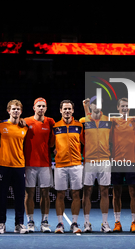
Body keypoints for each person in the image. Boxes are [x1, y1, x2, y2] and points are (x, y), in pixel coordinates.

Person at [51, 100, 84, 234]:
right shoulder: (55, 127)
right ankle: (60, 224)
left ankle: (74, 223)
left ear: (73, 111)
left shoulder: (79, 125)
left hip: (76, 164)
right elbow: (50, 144)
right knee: (60, 194)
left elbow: (85, 142)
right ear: (60, 110)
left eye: (69, 109)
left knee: (76, 194)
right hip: (60, 165)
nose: (67, 111)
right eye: (64, 109)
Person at [0, 100, 29, 234]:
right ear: (8, 111)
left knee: (20, 197)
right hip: (3, 165)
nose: (16, 111)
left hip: (19, 166)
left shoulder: (25, 127)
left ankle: (19, 224)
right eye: (13, 109)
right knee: (2, 197)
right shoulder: (0, 125)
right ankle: (1, 224)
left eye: (18, 109)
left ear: (21, 112)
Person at [80, 97, 112, 233]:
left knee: (105, 191)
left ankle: (105, 223)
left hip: (105, 160)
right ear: (91, 106)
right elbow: (80, 139)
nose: (97, 106)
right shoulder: (83, 121)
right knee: (87, 192)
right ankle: (87, 223)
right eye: (94, 104)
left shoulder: (109, 120)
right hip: (89, 161)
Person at [109, 97, 135, 233]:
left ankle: (134, 222)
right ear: (118, 108)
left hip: (132, 162)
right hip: (116, 162)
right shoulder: (112, 121)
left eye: (127, 106)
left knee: (133, 193)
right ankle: (117, 222)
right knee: (116, 193)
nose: (124, 108)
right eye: (122, 106)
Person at [24, 98, 55, 233]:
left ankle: (44, 221)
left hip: (45, 163)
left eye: (43, 106)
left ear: (46, 108)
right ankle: (30, 221)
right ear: (34, 108)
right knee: (29, 193)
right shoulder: (25, 121)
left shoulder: (50, 121)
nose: (41, 108)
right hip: (29, 164)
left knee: (45, 193)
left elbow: (55, 139)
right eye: (39, 106)